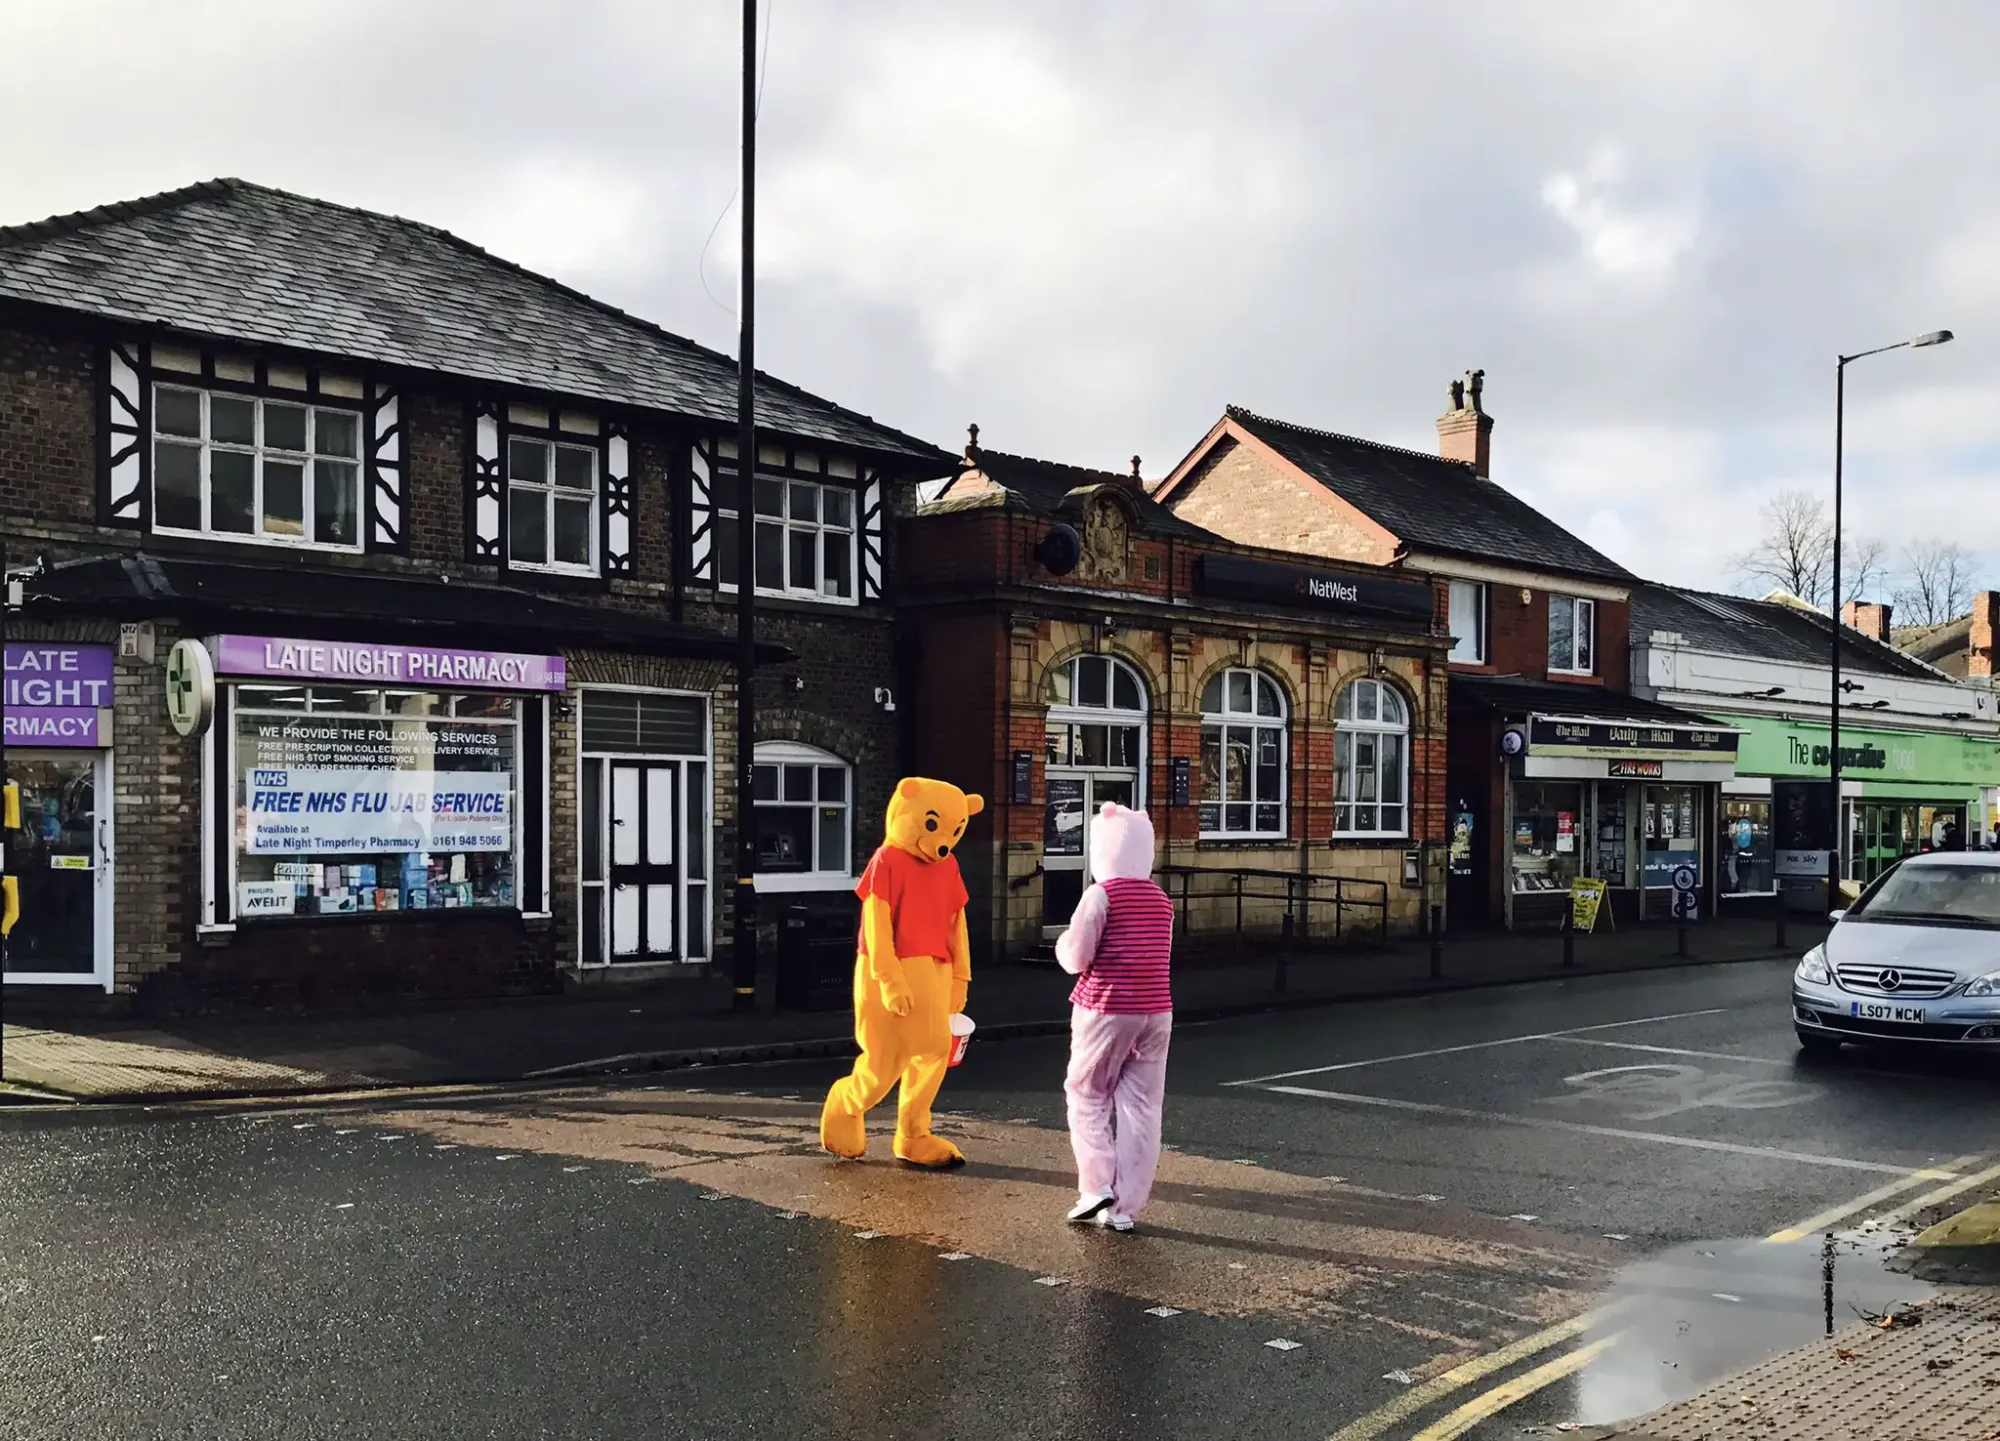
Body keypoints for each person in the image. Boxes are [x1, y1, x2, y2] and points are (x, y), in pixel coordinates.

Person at [1055, 801, 1173, 1233]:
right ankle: (1124, 1208)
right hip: (1157, 1010)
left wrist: (1061, 945)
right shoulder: (1160, 899)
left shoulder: (1101, 894)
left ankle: (1095, 1186)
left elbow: (1076, 956)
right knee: (1142, 1108)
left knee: (1086, 1093)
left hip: (1105, 1008)